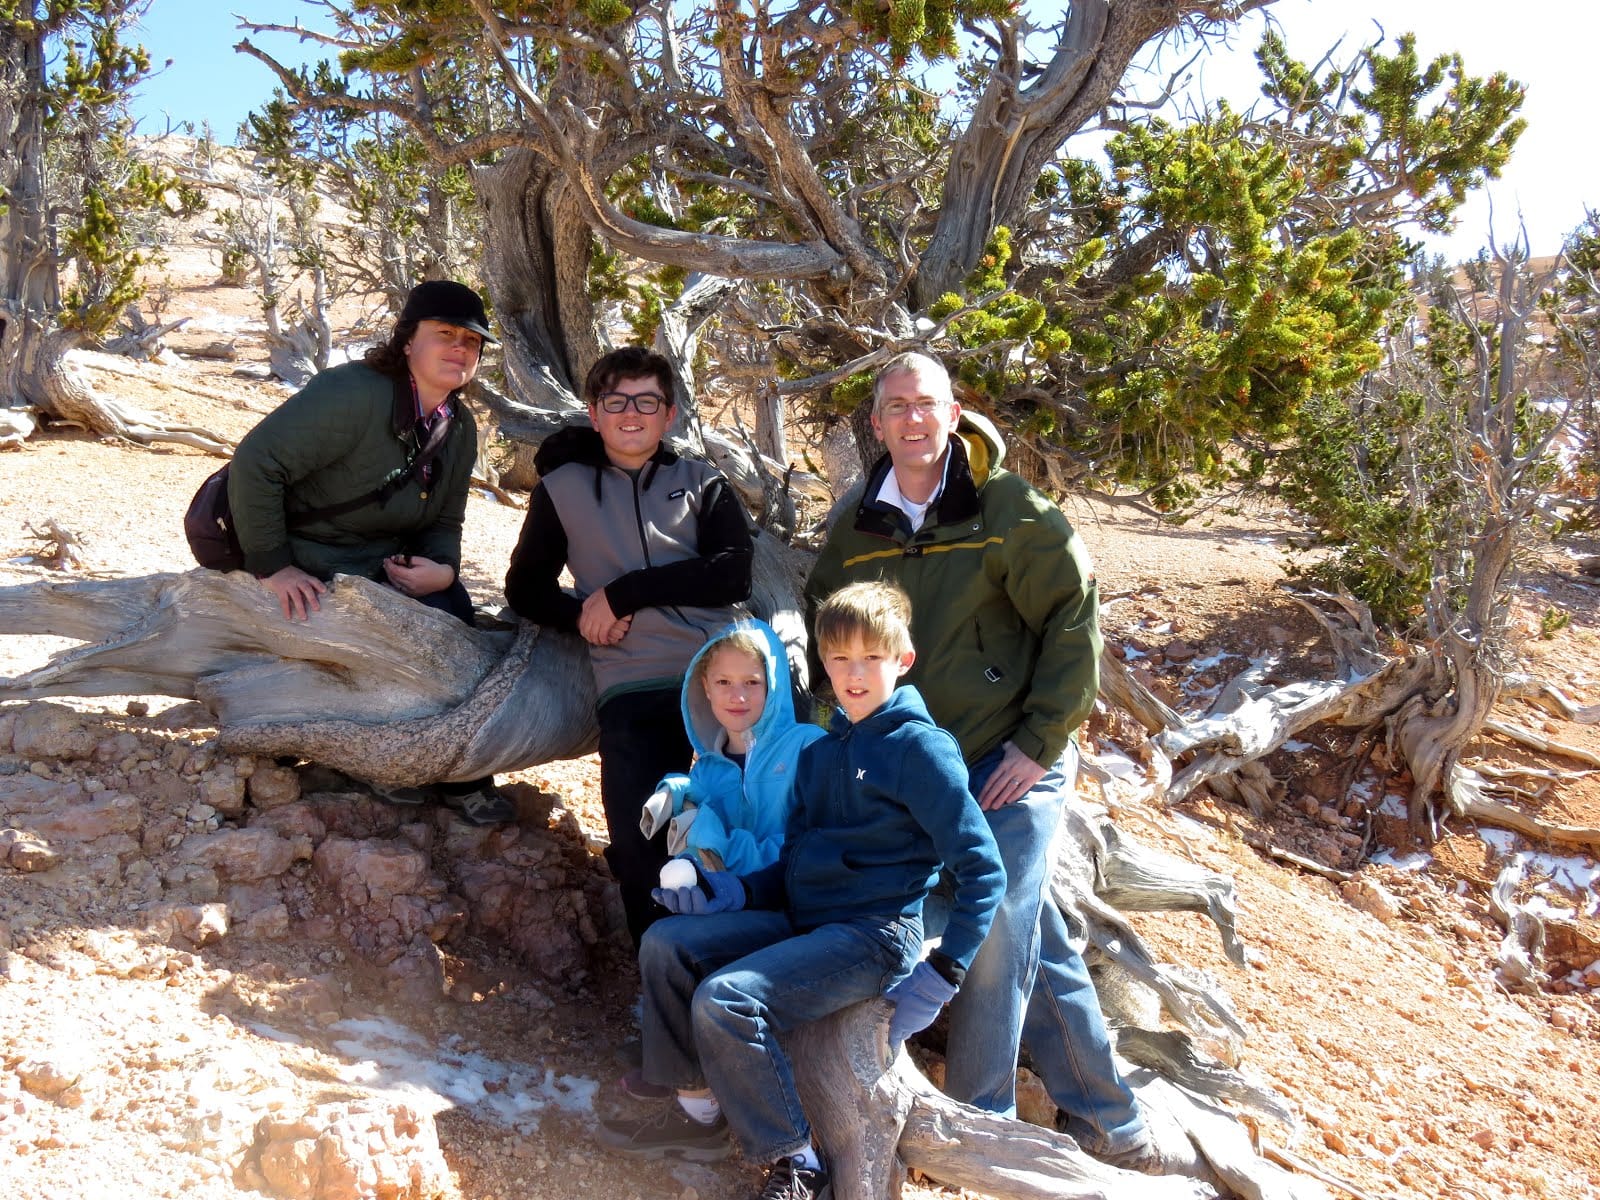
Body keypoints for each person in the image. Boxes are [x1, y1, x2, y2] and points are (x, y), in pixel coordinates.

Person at [804, 352, 1172, 1171]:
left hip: (1011, 755)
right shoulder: (858, 526)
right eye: (895, 407)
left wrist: (1039, 742)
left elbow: (1075, 620)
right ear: (876, 423)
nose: (912, 420)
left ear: (953, 411)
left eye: (925, 404)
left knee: (998, 921)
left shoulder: (1010, 510)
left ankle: (983, 1122)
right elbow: (826, 622)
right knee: (1031, 927)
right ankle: (1113, 1119)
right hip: (923, 760)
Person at [596, 581, 1004, 1200]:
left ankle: (797, 1162)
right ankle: (696, 1111)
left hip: (872, 934)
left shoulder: (920, 749)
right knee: (667, 943)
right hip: (805, 919)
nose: (854, 674)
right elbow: (793, 861)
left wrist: (945, 971)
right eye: (839, 659)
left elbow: (984, 869)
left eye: (871, 657)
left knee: (727, 999)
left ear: (904, 659)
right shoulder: (825, 751)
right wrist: (734, 893)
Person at [228, 279, 513, 826]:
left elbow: (446, 516)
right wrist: (273, 566)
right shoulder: (354, 393)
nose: (460, 348)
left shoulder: (459, 425)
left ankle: (460, 775)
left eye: (471, 342)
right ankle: (384, 764)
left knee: (456, 625)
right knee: (377, 648)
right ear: (408, 341)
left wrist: (442, 568)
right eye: (444, 334)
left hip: (379, 561)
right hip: (309, 557)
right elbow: (256, 464)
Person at [503, 345, 754, 947]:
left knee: (750, 816)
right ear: (594, 414)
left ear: (670, 415)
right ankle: (662, 959)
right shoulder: (563, 489)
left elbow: (733, 573)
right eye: (617, 402)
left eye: (648, 401)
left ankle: (750, 949)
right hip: (633, 679)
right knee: (641, 829)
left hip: (720, 675)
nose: (632, 414)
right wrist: (586, 617)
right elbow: (524, 586)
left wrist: (624, 592)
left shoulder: (702, 481)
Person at [624, 617, 827, 1104]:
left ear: (773, 685)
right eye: (724, 682)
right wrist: (688, 818)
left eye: (752, 682)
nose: (738, 695)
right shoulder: (708, 767)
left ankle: (693, 1098)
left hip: (794, 912)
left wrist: (722, 844)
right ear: (705, 690)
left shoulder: (808, 748)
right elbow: (707, 853)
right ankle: (684, 1083)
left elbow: (808, 851)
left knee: (671, 945)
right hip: (736, 905)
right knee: (666, 932)